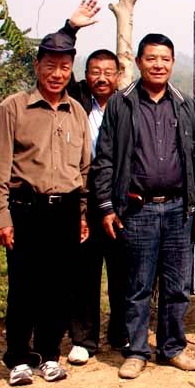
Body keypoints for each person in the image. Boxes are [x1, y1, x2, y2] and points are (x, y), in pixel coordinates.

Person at [91, 33, 195, 380]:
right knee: (138, 285)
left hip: (180, 210)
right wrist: (106, 206)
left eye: (165, 59)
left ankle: (172, 348)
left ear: (172, 63)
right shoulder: (121, 104)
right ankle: (136, 350)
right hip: (137, 210)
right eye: (151, 58)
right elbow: (105, 159)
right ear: (138, 62)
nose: (158, 65)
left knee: (177, 286)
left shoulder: (186, 105)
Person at [0, 0, 100, 386]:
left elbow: (84, 170)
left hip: (67, 210)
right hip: (26, 209)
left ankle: (49, 354)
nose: (57, 74)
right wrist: (2, 217)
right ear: (37, 66)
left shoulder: (77, 113)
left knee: (58, 286)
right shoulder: (13, 108)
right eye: (50, 66)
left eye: (64, 67)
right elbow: (0, 169)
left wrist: (84, 213)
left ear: (71, 71)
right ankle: (18, 357)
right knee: (24, 285)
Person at [64, 49, 128, 365]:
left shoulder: (128, 106)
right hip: (83, 198)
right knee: (83, 272)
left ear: (118, 75)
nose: (101, 77)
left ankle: (121, 332)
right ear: (85, 75)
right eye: (94, 71)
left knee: (122, 272)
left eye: (108, 71)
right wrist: (71, 28)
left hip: (120, 202)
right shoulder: (76, 104)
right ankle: (83, 339)